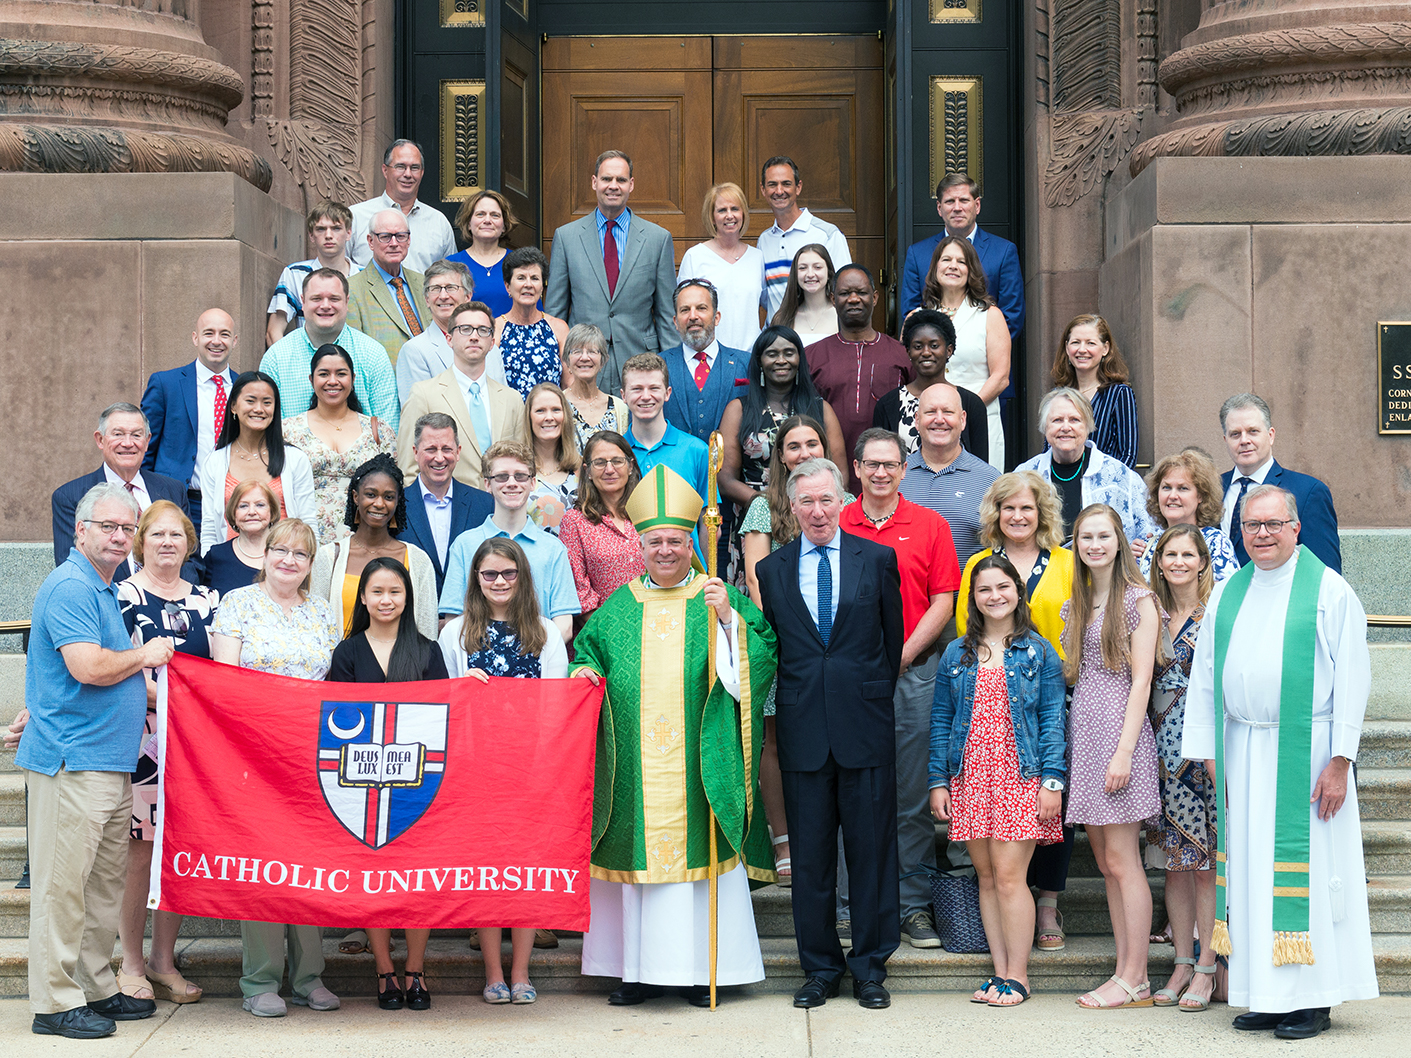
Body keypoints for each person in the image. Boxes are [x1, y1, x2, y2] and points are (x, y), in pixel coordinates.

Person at [572, 463, 777, 1007]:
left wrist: (731, 621)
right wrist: (584, 674)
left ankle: (699, 971)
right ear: (640, 545)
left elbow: (761, 660)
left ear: (693, 543)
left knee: (697, 868)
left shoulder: (717, 598)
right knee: (640, 863)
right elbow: (586, 657)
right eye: (656, 541)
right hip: (636, 769)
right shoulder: (618, 607)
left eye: (677, 541)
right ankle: (635, 971)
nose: (666, 550)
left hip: (697, 761)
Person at [1182, 485, 1377, 1039]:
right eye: (1251, 525)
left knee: (1306, 874)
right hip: (1242, 749)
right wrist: (1209, 750)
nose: (1261, 534)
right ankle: (1264, 992)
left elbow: (1354, 682)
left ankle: (1312, 999)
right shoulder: (1228, 592)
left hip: (1307, 753)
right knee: (1248, 872)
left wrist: (1340, 760)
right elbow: (1204, 676)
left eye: (1273, 524)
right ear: (1239, 532)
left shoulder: (1329, 592)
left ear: (1296, 528)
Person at [20, 483, 173, 1039]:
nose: (118, 536)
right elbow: (88, 667)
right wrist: (146, 655)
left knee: (101, 888)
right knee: (63, 887)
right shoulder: (71, 587)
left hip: (109, 764)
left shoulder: (103, 589)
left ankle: (94, 986)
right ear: (80, 530)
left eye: (125, 528)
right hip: (70, 763)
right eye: (107, 526)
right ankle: (55, 1001)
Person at [755, 458, 903, 1010]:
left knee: (870, 854)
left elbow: (892, 645)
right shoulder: (771, 570)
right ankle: (819, 968)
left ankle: (869, 968)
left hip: (865, 727)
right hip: (802, 733)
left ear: (844, 500)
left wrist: (863, 697)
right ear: (791, 507)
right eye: (805, 502)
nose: (817, 512)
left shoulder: (879, 559)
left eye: (826, 500)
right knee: (812, 861)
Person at [210, 518, 341, 1018]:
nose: (288, 559)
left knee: (309, 864)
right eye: (279, 550)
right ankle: (260, 980)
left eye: (300, 554)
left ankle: (310, 976)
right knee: (263, 865)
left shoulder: (323, 613)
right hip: (253, 755)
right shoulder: (238, 604)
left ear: (311, 565)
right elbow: (223, 684)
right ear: (263, 555)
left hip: (309, 756)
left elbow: (331, 684)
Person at [842, 429, 961, 950]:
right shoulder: (837, 521)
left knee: (912, 795)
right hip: (848, 679)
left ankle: (912, 906)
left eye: (891, 464)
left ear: (904, 468)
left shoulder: (930, 525)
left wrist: (904, 652)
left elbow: (944, 598)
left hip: (914, 674)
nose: (882, 473)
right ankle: (850, 905)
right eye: (873, 465)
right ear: (857, 468)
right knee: (851, 792)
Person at [929, 555, 1065, 1006]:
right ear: (974, 598)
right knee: (986, 878)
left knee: (1010, 878)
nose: (995, 596)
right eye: (984, 589)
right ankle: (1000, 971)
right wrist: (938, 781)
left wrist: (1052, 779)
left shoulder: (1038, 651)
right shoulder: (956, 653)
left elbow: (1051, 718)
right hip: (971, 777)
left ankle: (1020, 976)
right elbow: (942, 720)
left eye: (1003, 587)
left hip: (1019, 776)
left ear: (1017, 591)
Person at [438, 538, 570, 1005]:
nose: (499, 582)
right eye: (489, 574)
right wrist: (459, 687)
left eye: (508, 574)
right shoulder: (455, 633)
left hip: (530, 767)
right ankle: (492, 971)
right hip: (474, 767)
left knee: (525, 871)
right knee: (484, 870)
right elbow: (443, 705)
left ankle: (521, 972)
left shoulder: (545, 632)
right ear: (475, 579)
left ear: (523, 578)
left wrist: (547, 766)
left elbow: (557, 707)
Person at [956, 471, 1075, 950]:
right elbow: (969, 630)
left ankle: (1047, 902)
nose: (1018, 516)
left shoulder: (1067, 563)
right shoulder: (981, 564)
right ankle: (1014, 904)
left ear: (1041, 513)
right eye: (1009, 509)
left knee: (1051, 806)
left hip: (1057, 691)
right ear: (996, 515)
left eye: (1027, 508)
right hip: (993, 699)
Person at [739, 414, 856, 885]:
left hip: (837, 643)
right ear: (780, 457)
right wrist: (788, 636)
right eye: (793, 446)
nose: (804, 452)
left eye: (812, 443)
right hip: (781, 639)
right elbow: (755, 577)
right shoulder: (764, 508)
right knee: (775, 735)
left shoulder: (847, 502)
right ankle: (784, 838)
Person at [327, 557, 447, 1012]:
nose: (386, 600)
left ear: (407, 597)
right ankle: (384, 972)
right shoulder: (348, 651)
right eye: (377, 592)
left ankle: (415, 970)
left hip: (418, 784)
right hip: (362, 786)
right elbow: (338, 722)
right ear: (362, 597)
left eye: (395, 592)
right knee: (373, 881)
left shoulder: (427, 650)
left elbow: (440, 715)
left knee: (417, 883)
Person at [114, 500, 216, 1008]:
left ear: (189, 543)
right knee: (140, 855)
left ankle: (163, 960)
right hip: (143, 740)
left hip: (194, 742)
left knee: (175, 852)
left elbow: (222, 671)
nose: (168, 543)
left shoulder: (206, 600)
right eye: (158, 535)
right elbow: (121, 665)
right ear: (142, 541)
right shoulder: (123, 596)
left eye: (177, 535)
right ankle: (130, 961)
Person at [1062, 503, 1163, 1009]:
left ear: (1120, 541)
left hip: (1121, 739)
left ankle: (1136, 975)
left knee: (1124, 862)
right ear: (1075, 545)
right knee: (1105, 862)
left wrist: (1124, 751)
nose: (1095, 545)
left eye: (1103, 536)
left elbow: (1142, 678)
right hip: (1086, 738)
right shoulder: (1077, 603)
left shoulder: (1138, 600)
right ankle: (1124, 970)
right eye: (1086, 538)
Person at [1144, 524, 1219, 1011]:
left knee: (1206, 864)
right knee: (1175, 865)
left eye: (1187, 554)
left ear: (1202, 561)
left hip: (1203, 751)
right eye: (1169, 553)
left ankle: (1209, 966)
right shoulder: (1149, 611)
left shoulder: (1217, 612)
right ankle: (1181, 962)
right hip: (1158, 752)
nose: (1177, 562)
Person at [544, 149, 677, 394]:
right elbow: (555, 315)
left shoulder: (657, 239)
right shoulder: (567, 237)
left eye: (621, 180)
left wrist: (672, 371)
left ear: (631, 185)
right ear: (594, 182)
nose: (613, 186)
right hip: (583, 363)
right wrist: (561, 370)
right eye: (606, 179)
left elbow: (668, 315)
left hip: (641, 363)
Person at [438, 441, 580, 642]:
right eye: (502, 476)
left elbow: (564, 626)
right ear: (488, 484)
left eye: (520, 476)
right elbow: (454, 623)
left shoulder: (554, 549)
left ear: (532, 482)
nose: (511, 483)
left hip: (538, 664)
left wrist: (524, 659)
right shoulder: (464, 545)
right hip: (479, 668)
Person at [396, 301, 526, 491]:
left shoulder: (511, 399)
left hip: (501, 508)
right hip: (445, 508)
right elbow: (409, 468)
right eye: (465, 329)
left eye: (483, 330)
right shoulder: (424, 394)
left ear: (492, 342)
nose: (474, 336)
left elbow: (520, 462)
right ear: (449, 339)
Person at [52, 403, 192, 578]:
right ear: (100, 440)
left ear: (147, 441)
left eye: (136, 435)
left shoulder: (173, 491)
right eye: (118, 434)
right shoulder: (71, 497)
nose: (127, 443)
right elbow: (73, 567)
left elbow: (190, 559)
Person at [718, 325, 846, 514]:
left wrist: (805, 504)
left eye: (789, 353)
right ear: (759, 362)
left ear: (799, 359)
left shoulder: (821, 409)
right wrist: (772, 505)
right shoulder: (738, 410)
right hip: (756, 515)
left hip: (812, 513)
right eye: (772, 354)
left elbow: (840, 474)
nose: (781, 360)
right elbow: (725, 480)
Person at [309, 454, 438, 638]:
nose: (379, 503)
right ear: (355, 496)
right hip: (341, 665)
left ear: (398, 500)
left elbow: (427, 633)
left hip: (401, 665)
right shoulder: (329, 557)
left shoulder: (418, 560)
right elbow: (315, 627)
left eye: (388, 497)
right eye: (371, 494)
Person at [807, 265, 912, 491]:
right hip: (828, 478)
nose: (853, 299)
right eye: (845, 293)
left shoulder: (902, 354)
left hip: (888, 476)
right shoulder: (812, 356)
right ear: (833, 299)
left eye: (861, 293)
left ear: (874, 298)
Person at [259, 267, 400, 432]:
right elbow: (266, 429)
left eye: (334, 298)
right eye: (316, 298)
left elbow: (389, 430)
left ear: (347, 302)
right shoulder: (276, 358)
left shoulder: (373, 354)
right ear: (302, 302)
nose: (325, 306)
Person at [282, 343, 396, 542]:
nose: (332, 381)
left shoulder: (378, 431)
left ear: (352, 379)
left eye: (341, 374)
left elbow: (393, 490)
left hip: (366, 541)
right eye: (324, 374)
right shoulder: (288, 431)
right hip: (303, 542)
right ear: (311, 380)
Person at [1218, 392, 1342, 572]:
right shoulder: (1213, 488)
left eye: (1253, 431)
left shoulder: (1308, 492)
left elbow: (1325, 572)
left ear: (1270, 435)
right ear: (1225, 440)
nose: (1244, 440)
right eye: (1235, 434)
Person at [141, 307, 239, 530]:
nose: (216, 341)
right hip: (178, 504)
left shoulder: (245, 388)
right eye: (208, 333)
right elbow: (145, 447)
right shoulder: (166, 384)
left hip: (232, 506)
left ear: (234, 341)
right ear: (195, 338)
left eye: (224, 334)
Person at [197, 371, 316, 553]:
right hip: (231, 568)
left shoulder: (294, 459)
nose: (259, 409)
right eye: (250, 401)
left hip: (284, 565)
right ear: (234, 406)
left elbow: (308, 522)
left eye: (267, 402)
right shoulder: (215, 462)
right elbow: (210, 529)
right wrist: (211, 570)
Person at [1017, 388, 1157, 543]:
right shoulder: (1025, 474)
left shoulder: (1120, 475)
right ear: (1045, 427)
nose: (1065, 427)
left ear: (1088, 426)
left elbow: (1150, 531)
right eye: (1057, 420)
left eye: (1074, 420)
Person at [921, 236, 1010, 471]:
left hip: (980, 420)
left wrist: (967, 413)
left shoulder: (990, 315)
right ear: (935, 267)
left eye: (961, 261)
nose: (953, 266)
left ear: (971, 270)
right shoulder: (918, 318)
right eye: (946, 259)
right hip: (932, 424)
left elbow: (1000, 377)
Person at [900, 173, 1025, 337]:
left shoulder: (1003, 251)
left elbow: (1012, 315)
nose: (957, 207)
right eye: (950, 201)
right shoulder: (917, 254)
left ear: (977, 205)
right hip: (933, 355)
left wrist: (975, 349)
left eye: (964, 200)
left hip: (983, 357)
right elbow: (911, 314)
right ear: (939, 208)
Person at [899, 384, 1000, 571]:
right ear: (917, 420)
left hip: (967, 598)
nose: (939, 419)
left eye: (947, 412)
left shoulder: (990, 481)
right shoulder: (896, 476)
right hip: (905, 598)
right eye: (930, 412)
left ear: (962, 420)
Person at [873, 308, 988, 463]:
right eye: (918, 346)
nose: (926, 352)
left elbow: (980, 467)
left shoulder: (971, 404)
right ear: (908, 352)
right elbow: (880, 461)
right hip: (904, 487)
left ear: (949, 350)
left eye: (934, 346)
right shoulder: (888, 405)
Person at [397, 413, 494, 596]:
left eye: (447, 449)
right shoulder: (395, 506)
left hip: (468, 620)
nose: (440, 458)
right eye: (431, 449)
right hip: (412, 619)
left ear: (458, 452)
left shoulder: (485, 505)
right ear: (416, 452)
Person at [395, 259, 508, 406]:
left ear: (468, 296)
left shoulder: (490, 348)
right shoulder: (415, 351)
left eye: (451, 288)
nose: (443, 296)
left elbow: (504, 405)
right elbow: (418, 414)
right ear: (427, 300)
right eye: (435, 288)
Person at [558, 431, 645, 618]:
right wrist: (611, 636)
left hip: (651, 628)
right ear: (587, 471)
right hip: (600, 635)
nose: (609, 469)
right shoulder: (574, 522)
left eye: (617, 461)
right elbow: (579, 593)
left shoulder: (647, 514)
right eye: (599, 462)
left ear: (630, 466)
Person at [758, 156, 852, 320]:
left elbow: (845, 290)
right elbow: (766, 299)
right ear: (763, 190)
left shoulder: (827, 234)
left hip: (818, 335)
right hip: (777, 340)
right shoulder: (764, 240)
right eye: (772, 184)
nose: (779, 191)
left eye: (786, 184)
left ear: (798, 187)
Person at [678, 182, 765, 351]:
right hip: (709, 356)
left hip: (751, 356)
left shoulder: (757, 257)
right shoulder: (694, 256)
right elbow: (683, 310)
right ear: (712, 217)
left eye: (735, 209)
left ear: (743, 214)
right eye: (722, 210)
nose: (729, 215)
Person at [662, 279, 750, 443]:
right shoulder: (658, 365)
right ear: (675, 321)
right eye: (685, 310)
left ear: (716, 317)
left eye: (701, 308)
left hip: (734, 466)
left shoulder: (746, 363)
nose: (693, 316)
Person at [1130, 449, 1239, 581]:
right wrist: (1128, 561)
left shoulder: (1215, 544)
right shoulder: (1146, 546)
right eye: (1166, 487)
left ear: (1201, 496)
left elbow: (1226, 596)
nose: (1172, 496)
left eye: (1183, 488)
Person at [349, 139, 456, 273]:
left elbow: (451, 276)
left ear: (422, 173)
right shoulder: (356, 217)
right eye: (400, 167)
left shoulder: (438, 222)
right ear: (385, 170)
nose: (407, 174)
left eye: (414, 168)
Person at [266, 200, 361, 347]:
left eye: (336, 228)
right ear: (311, 235)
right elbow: (274, 332)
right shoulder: (295, 274)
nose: (328, 235)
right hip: (308, 363)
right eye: (321, 229)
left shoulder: (364, 275)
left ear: (348, 233)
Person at [1049, 314, 1138, 469]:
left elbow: (1128, 455)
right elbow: (1048, 449)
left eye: (1090, 343)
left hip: (1104, 486)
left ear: (1105, 349)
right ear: (1066, 348)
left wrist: (1110, 486)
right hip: (1061, 484)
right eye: (1076, 342)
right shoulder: (1057, 395)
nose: (1082, 350)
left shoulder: (1119, 393)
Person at [621, 352, 711, 505]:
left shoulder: (697, 450)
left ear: (667, 393)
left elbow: (707, 519)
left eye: (654, 388)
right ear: (623, 395)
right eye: (637, 389)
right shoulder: (615, 453)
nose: (645, 396)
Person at [346, 207, 428, 365]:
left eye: (400, 236)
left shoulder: (425, 283)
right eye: (385, 237)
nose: (394, 243)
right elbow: (353, 354)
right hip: (386, 385)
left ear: (409, 240)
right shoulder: (352, 290)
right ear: (370, 241)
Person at [494, 247, 569, 400]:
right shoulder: (495, 329)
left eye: (534, 278)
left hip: (551, 418)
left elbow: (569, 386)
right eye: (521, 278)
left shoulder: (559, 328)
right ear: (508, 286)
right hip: (510, 419)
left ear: (542, 287)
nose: (528, 284)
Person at [446, 188, 517, 318]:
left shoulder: (519, 263)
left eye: (495, 215)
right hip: (467, 336)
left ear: (504, 226)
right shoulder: (451, 265)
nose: (487, 220)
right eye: (480, 214)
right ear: (468, 223)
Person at [202, 480, 279, 597]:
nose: (252, 512)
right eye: (243, 506)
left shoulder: (287, 554)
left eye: (260, 505)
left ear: (272, 511)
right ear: (234, 513)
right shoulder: (216, 556)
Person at [561, 323, 631, 450]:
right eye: (577, 351)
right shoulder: (558, 404)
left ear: (603, 361)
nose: (584, 358)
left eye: (592, 351)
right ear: (567, 360)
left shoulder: (619, 407)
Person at [523, 383, 580, 535]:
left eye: (556, 410)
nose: (549, 417)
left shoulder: (582, 468)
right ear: (529, 416)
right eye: (540, 411)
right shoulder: (517, 469)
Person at [770, 245, 839, 348]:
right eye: (803, 268)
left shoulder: (842, 316)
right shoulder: (782, 318)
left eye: (817, 267)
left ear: (828, 273)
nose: (810, 274)